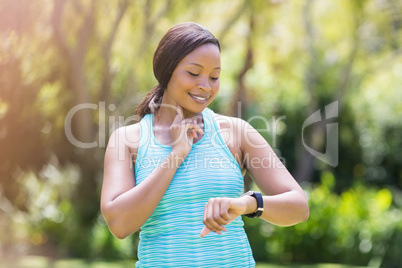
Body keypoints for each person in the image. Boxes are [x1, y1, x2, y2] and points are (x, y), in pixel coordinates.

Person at [101, 22, 309, 267]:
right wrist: (176, 155)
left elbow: (298, 207)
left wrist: (246, 203)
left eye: (214, 77)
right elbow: (120, 224)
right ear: (167, 71)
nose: (206, 86)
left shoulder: (237, 133)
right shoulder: (128, 140)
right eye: (193, 73)